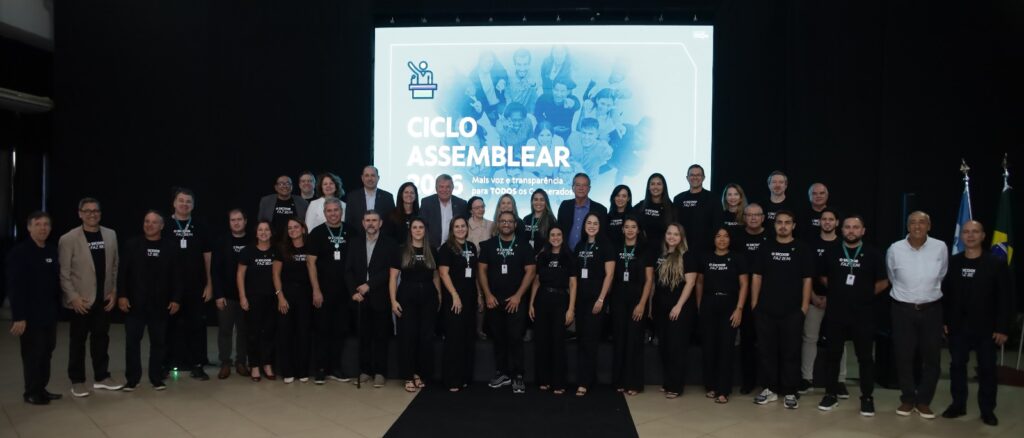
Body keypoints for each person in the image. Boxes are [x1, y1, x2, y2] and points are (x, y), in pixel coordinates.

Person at [940, 220, 1013, 426]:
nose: (970, 235)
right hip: (958, 327)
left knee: (987, 369)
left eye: (975, 232)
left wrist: (1002, 328)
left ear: (983, 236)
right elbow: (946, 295)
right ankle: (958, 405)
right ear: (961, 236)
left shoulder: (996, 264)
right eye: (966, 232)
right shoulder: (953, 262)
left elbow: (1005, 299)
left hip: (987, 328)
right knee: (957, 366)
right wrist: (944, 321)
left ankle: (987, 410)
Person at [816, 215, 889, 416]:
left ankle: (867, 398)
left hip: (863, 314)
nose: (851, 230)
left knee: (865, 358)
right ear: (842, 230)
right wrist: (839, 292)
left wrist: (863, 295)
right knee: (833, 355)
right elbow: (822, 276)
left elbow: (883, 282)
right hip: (836, 312)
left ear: (863, 231)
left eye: (856, 227)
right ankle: (830, 394)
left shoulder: (873, 253)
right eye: (847, 227)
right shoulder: (831, 251)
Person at [59, 197, 123, 397]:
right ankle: (77, 381)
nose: (92, 214)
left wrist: (114, 291)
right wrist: (73, 298)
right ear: (80, 214)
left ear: (100, 214)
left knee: (101, 339)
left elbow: (115, 266)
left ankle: (102, 377)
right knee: (78, 341)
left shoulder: (110, 235)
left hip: (103, 299)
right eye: (87, 211)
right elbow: (64, 273)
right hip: (81, 301)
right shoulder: (68, 239)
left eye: (95, 211)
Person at [886, 211, 947, 419]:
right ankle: (908, 398)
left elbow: (942, 274)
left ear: (929, 226)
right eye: (913, 222)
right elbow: (892, 276)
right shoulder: (895, 248)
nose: (917, 226)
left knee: (932, 358)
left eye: (922, 222)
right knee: (903, 356)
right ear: (907, 226)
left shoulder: (940, 247)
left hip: (932, 310)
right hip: (902, 310)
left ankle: (924, 401)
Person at [751, 210, 812, 409]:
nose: (783, 226)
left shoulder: (802, 249)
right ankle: (769, 389)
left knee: (791, 352)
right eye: (779, 222)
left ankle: (790, 391)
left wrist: (804, 307)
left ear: (793, 225)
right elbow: (757, 276)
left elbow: (807, 279)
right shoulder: (765, 247)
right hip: (765, 310)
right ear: (774, 225)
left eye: (787, 222)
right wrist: (755, 305)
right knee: (766, 351)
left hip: (793, 311)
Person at [117, 211, 179, 391]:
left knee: (159, 343)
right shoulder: (131, 245)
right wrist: (122, 295)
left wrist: (176, 298)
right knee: (132, 343)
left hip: (160, 304)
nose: (149, 225)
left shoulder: (171, 247)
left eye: (154, 222)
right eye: (147, 221)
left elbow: (177, 276)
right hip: (134, 304)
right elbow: (122, 273)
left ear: (162, 226)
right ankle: (132, 379)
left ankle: (156, 378)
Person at [7, 211, 62, 405]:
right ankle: (31, 392)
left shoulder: (52, 251)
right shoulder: (20, 253)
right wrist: (19, 316)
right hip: (30, 315)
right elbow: (14, 287)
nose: (42, 228)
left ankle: (41, 388)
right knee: (33, 354)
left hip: (49, 313)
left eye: (46, 224)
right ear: (29, 227)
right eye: (38, 224)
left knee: (47, 351)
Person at [479, 211, 537, 394]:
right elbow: (481, 270)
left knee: (515, 338)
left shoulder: (524, 246)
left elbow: (531, 271)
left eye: (510, 221)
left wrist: (518, 296)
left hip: (516, 301)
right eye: (503, 221)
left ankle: (518, 375)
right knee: (498, 338)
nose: (506, 224)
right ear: (498, 224)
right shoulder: (488, 245)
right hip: (494, 301)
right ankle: (502, 373)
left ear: (515, 225)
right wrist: (487, 295)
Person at [163, 188, 213, 380]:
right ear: (174, 203)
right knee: (168, 326)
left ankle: (197, 364)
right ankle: (165, 364)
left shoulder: (201, 226)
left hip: (196, 285)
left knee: (196, 326)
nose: (184, 204)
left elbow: (207, 255)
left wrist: (209, 284)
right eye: (181, 200)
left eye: (188, 201)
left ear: (193, 205)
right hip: (170, 287)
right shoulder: (165, 225)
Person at [347, 210, 399, 388]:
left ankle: (380, 373)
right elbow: (348, 270)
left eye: (374, 220)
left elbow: (389, 271)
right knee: (363, 337)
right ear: (363, 223)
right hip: (359, 298)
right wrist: (353, 292)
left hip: (380, 296)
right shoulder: (354, 243)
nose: (371, 223)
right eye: (368, 220)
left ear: (380, 223)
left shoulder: (390, 243)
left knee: (381, 337)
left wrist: (369, 285)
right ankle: (365, 371)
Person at [697, 227, 748, 404]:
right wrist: (699, 305)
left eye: (725, 236)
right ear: (713, 239)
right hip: (709, 304)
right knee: (709, 347)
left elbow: (744, 284)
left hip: (730, 305)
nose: (722, 239)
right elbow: (699, 282)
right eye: (718, 236)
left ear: (730, 239)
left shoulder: (738, 258)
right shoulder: (705, 257)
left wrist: (739, 308)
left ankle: (724, 390)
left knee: (726, 348)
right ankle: (711, 386)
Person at [306, 197, 355, 384]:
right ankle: (320, 369)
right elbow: (311, 263)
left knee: (340, 330)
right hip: (324, 291)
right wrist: (316, 290)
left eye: (336, 210)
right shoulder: (316, 233)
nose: (333, 213)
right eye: (329, 211)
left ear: (341, 211)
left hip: (345, 292)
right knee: (322, 330)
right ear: (324, 213)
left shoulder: (351, 231)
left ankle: (335, 368)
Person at [390, 218, 441, 393]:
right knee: (408, 336)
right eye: (415, 227)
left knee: (425, 337)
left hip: (429, 296)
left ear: (425, 230)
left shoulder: (432, 250)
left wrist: (439, 295)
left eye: (421, 227)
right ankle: (408, 375)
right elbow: (393, 278)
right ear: (410, 230)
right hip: (406, 296)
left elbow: (436, 275)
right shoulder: (401, 250)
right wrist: (393, 301)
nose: (418, 230)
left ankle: (420, 373)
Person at [651, 223, 699, 399]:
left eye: (676, 234)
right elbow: (655, 283)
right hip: (660, 308)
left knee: (676, 348)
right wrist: (650, 306)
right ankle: (668, 382)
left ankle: (676, 386)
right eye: (669, 233)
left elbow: (691, 283)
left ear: (681, 237)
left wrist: (678, 306)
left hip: (679, 309)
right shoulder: (661, 255)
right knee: (664, 346)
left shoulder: (687, 256)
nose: (672, 237)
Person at [801, 208, 844, 395]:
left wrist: (833, 297)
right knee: (809, 338)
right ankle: (806, 378)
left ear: (837, 223)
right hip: (813, 299)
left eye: (831, 219)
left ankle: (840, 380)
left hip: (838, 300)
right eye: (824, 219)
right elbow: (805, 273)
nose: (827, 222)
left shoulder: (843, 244)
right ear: (819, 222)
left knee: (839, 340)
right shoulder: (810, 244)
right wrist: (812, 296)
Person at [529, 226, 576, 395]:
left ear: (563, 237)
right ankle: (544, 380)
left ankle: (559, 382)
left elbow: (573, 284)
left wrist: (571, 309)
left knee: (558, 342)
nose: (556, 237)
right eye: (552, 235)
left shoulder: (569, 257)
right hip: (542, 300)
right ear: (548, 238)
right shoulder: (542, 256)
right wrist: (531, 303)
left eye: (559, 234)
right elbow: (536, 281)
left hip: (561, 301)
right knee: (542, 341)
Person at [611, 216, 654, 396]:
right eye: (626, 227)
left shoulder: (646, 250)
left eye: (633, 227)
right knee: (620, 340)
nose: (629, 230)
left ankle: (633, 383)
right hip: (618, 299)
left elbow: (649, 280)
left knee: (634, 342)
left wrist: (642, 304)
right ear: (622, 229)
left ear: (638, 230)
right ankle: (619, 381)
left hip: (637, 300)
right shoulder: (615, 248)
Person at [572, 212, 615, 397]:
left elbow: (610, 275)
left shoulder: (606, 246)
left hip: (596, 300)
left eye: (595, 223)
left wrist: (601, 299)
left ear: (600, 226)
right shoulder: (580, 245)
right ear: (584, 226)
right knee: (582, 339)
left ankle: (584, 382)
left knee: (590, 341)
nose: (591, 226)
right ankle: (586, 378)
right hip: (580, 300)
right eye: (588, 223)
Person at [438, 217, 480, 391]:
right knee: (454, 339)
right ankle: (452, 379)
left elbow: (474, 273)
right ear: (452, 229)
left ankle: (465, 377)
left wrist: (479, 295)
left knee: (468, 338)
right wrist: (455, 295)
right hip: (454, 298)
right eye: (457, 226)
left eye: (463, 226)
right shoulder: (446, 248)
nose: (460, 229)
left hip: (470, 298)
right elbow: (443, 273)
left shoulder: (471, 247)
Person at [273, 218, 312, 384]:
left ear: (303, 229)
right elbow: (275, 274)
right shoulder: (281, 248)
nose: (293, 230)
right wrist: (280, 296)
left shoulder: (310, 246)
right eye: (290, 228)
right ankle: (287, 370)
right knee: (285, 333)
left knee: (303, 333)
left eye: (296, 227)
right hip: (286, 295)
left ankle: (302, 370)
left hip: (306, 295)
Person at [237, 221, 277, 382]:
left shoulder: (276, 251)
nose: (263, 232)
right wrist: (242, 297)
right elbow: (240, 275)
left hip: (272, 298)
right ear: (256, 233)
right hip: (253, 298)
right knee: (253, 333)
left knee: (269, 332)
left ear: (271, 232)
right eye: (260, 230)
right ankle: (254, 365)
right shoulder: (248, 251)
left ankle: (267, 364)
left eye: (266, 229)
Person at [212, 209, 249, 379]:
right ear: (229, 223)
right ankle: (225, 363)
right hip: (226, 295)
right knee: (225, 330)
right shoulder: (221, 241)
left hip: (247, 295)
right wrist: (218, 294)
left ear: (245, 221)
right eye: (233, 220)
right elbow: (215, 270)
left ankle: (241, 362)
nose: (236, 222)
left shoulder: (252, 240)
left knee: (243, 331)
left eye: (239, 219)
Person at [736, 203, 768, 394]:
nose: (753, 218)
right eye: (749, 215)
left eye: (757, 215)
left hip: (767, 296)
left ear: (763, 217)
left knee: (767, 342)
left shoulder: (771, 236)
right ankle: (748, 382)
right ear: (744, 217)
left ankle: (768, 382)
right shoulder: (737, 237)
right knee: (747, 341)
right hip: (743, 296)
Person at [673, 164, 717, 257]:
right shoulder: (678, 199)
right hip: (683, 248)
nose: (695, 177)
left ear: (703, 177)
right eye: (692, 175)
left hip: (706, 249)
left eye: (698, 175)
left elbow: (717, 224)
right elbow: (675, 224)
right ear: (687, 178)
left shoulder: (713, 198)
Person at [557, 173, 608, 250]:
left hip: (590, 253)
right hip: (566, 253)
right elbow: (558, 229)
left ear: (589, 188)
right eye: (578, 185)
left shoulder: (600, 209)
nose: (581, 188)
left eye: (584, 185)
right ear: (573, 188)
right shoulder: (565, 206)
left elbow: (602, 235)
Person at [420, 174, 468, 247]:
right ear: (436, 188)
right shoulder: (427, 203)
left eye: (448, 187)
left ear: (452, 188)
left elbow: (465, 227)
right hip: (432, 248)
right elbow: (422, 226)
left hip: (455, 247)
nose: (444, 190)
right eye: (441, 187)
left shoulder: (461, 204)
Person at [635, 173, 676, 244]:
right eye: (652, 184)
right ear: (648, 187)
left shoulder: (671, 208)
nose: (655, 187)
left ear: (664, 187)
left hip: (664, 248)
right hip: (642, 248)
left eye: (659, 184)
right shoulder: (641, 206)